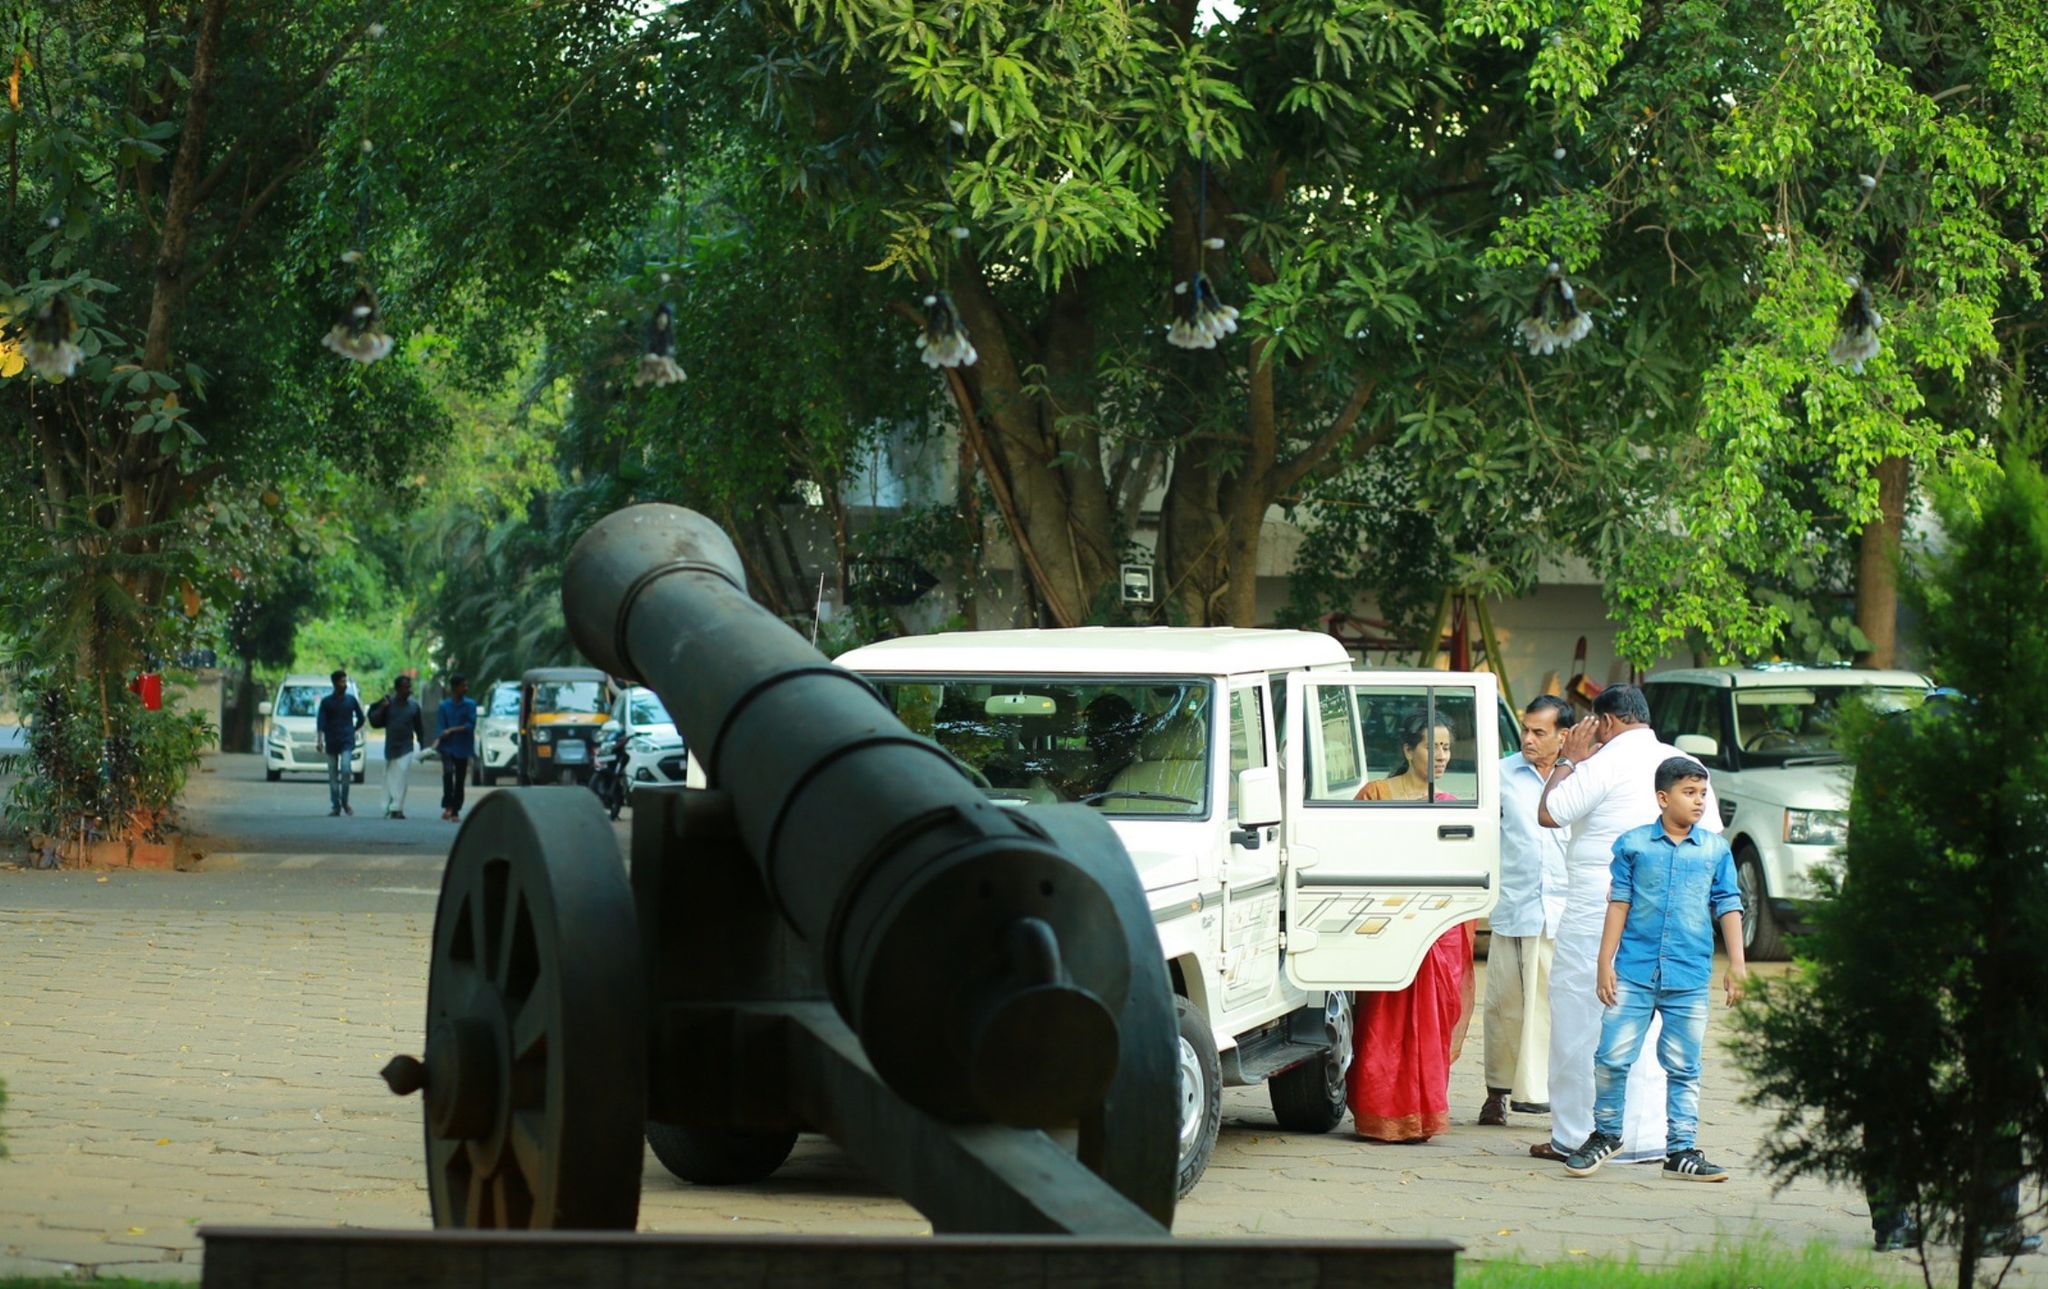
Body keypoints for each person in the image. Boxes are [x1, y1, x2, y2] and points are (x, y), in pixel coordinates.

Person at [1534, 683, 1722, 1165]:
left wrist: (1567, 761)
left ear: (1606, 722)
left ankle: (1579, 1135)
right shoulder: (1684, 765)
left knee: (1582, 1014)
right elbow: (1711, 838)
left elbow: (1550, 813)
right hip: (1670, 913)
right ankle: (1651, 1137)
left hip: (1601, 907)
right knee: (1656, 1022)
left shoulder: (1601, 762)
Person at [1562, 757, 1745, 1181]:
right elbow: (1619, 903)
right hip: (1634, 972)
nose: (1699, 802)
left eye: (1703, 793)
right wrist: (1604, 962)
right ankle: (1606, 1134)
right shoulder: (1633, 846)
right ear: (1663, 798)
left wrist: (1737, 964)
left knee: (1685, 1067)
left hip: (1689, 975)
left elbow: (1729, 903)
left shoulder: (1716, 849)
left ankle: (1680, 1151)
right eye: (1689, 792)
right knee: (1611, 1057)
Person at [1347, 711, 1475, 1143]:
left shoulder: (1452, 808)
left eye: (1446, 748)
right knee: (1381, 1018)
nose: (1441, 756)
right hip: (1388, 921)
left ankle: (1424, 1114)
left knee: (1433, 1022)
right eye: (1432, 746)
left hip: (1438, 931)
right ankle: (1379, 1112)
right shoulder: (1376, 795)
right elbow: (1353, 857)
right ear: (1407, 750)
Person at [1479, 695, 1573, 1127]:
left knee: (1558, 1009)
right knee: (1505, 1005)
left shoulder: (1580, 779)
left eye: (1540, 732)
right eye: (1526, 730)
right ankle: (1496, 1092)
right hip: (1515, 905)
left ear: (1563, 736)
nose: (1529, 740)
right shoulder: (1500, 774)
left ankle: (1555, 1094)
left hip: (1567, 912)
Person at [314, 670, 364, 817]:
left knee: (346, 769)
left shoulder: (351, 700)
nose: (345, 684)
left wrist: (353, 730)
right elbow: (320, 722)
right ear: (335, 683)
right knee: (333, 775)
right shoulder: (327, 702)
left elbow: (361, 718)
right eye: (342, 681)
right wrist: (319, 740)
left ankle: (345, 801)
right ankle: (336, 805)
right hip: (331, 741)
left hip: (347, 741)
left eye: (345, 681)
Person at [380, 674, 427, 820]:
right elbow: (375, 721)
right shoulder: (388, 705)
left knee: (401, 776)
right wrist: (382, 708)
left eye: (409, 687)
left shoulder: (413, 707)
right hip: (390, 747)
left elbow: (419, 728)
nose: (409, 690)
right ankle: (390, 805)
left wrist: (422, 746)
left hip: (406, 747)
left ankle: (397, 808)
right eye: (406, 687)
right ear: (398, 689)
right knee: (391, 778)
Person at [436, 674, 478, 822]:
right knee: (448, 775)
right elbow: (440, 727)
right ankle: (448, 806)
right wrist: (441, 737)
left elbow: (470, 725)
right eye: (463, 686)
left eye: (466, 685)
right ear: (455, 688)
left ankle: (456, 810)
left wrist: (452, 730)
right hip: (447, 746)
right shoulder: (444, 706)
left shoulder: (470, 704)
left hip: (463, 746)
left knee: (460, 779)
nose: (466, 688)